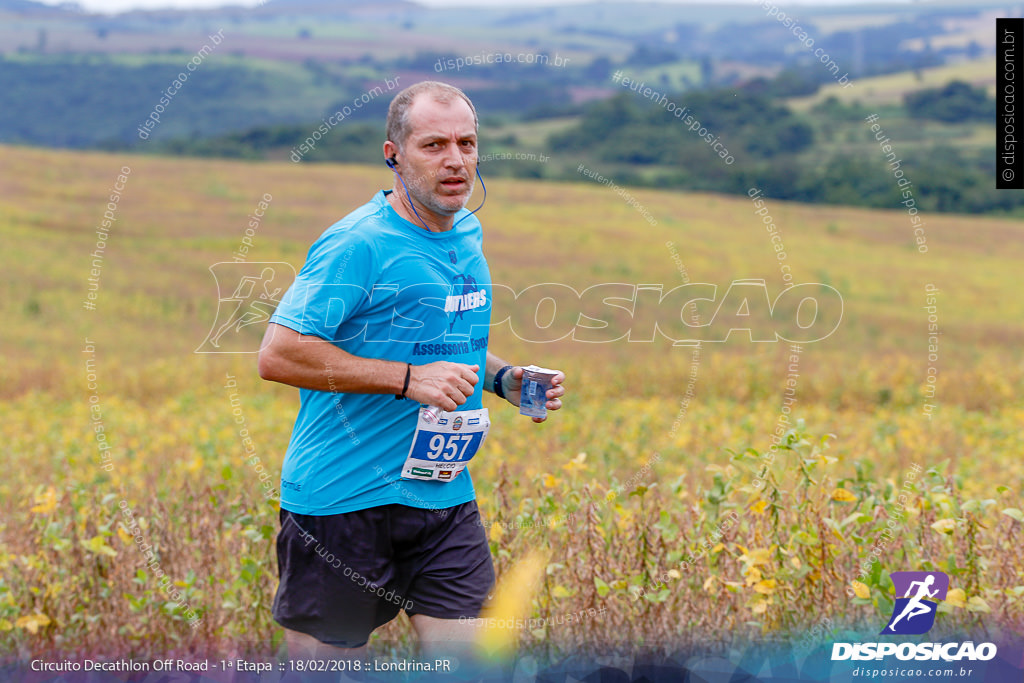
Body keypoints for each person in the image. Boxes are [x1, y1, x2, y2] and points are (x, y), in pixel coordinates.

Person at [257, 80, 566, 663]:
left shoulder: (465, 232)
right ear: (393, 154)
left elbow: (448, 344)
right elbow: (279, 354)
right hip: (343, 500)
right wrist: (406, 379)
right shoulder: (359, 243)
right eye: (433, 145)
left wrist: (503, 380)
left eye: (467, 143)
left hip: (443, 496)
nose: (456, 160)